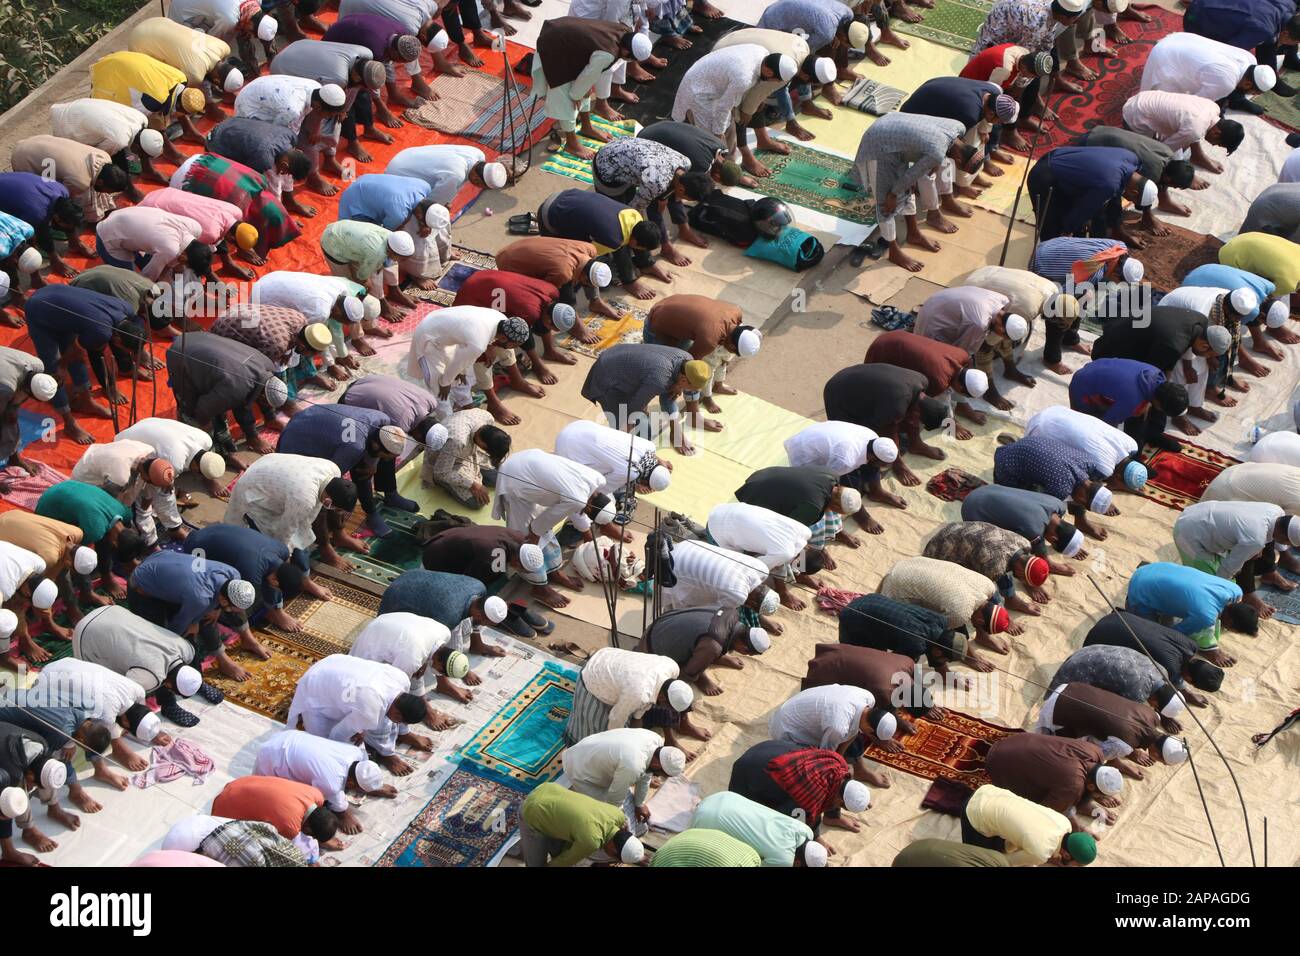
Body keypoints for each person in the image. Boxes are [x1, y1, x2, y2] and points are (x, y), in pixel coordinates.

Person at [848, 112, 980, 271]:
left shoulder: (958, 127)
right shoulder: (936, 152)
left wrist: (934, 162)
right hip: (879, 143)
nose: (956, 167)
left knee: (908, 188)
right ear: (958, 160)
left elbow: (913, 175)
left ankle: (914, 233)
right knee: (886, 205)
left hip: (892, 126)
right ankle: (894, 252)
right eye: (959, 167)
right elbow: (911, 175)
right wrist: (892, 195)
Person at [24, 284, 144, 445]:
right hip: (40, 309)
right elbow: (76, 352)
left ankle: (86, 401)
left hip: (60, 304)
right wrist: (61, 366)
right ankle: (69, 422)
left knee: (77, 356)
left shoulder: (126, 310)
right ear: (117, 340)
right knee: (53, 370)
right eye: (124, 349)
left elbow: (79, 350)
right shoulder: (101, 331)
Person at [1094, 304, 1233, 439]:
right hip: (1109, 352)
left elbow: (1170, 360)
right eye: (1209, 355)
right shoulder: (1173, 345)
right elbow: (1146, 380)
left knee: (1161, 391)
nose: (1208, 359)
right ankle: (1135, 443)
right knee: (1143, 398)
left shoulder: (1201, 323)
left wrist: (1167, 384)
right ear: (1204, 345)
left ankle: (1153, 433)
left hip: (1137, 341)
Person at [276, 404, 410, 537]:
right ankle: (335, 534)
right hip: (296, 438)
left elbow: (370, 452)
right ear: (375, 446)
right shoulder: (353, 447)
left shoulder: (383, 420)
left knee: (363, 469)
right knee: (327, 491)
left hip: (310, 418)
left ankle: (381, 503)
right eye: (382, 456)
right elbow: (330, 483)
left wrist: (373, 463)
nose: (382, 460)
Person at [491, 449, 615, 592]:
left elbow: (564, 513)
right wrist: (534, 538)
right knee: (527, 540)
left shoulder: (597, 479)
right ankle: (539, 587)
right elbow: (539, 525)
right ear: (588, 509)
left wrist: (538, 531)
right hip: (514, 477)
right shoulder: (578, 499)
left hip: (528, 461)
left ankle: (555, 573)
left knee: (544, 531)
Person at [286, 654, 430, 775]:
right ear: (398, 716)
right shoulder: (371, 709)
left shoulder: (402, 679)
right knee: (326, 750)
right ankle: (381, 756)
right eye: (399, 721)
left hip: (333, 661)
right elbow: (336, 735)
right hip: (313, 686)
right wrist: (355, 732)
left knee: (377, 722)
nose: (397, 724)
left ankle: (381, 749)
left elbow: (372, 711)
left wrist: (360, 728)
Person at [530, 18, 654, 159]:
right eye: (631, 59)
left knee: (584, 90)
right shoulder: (607, 54)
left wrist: (583, 90)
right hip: (554, 47)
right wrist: (576, 95)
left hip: (568, 42)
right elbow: (586, 77)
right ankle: (571, 144)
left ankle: (586, 127)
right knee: (567, 100)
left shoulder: (624, 32)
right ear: (626, 52)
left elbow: (588, 78)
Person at [223, 452, 361, 575]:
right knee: (272, 547)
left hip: (269, 465)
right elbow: (284, 531)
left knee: (300, 546)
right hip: (254, 490)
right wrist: (284, 557)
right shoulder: (304, 499)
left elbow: (304, 521)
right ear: (327, 500)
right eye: (334, 508)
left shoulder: (333, 469)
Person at [71, 604, 208, 727]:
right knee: (91, 681)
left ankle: (168, 705)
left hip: (111, 611)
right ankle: (168, 705)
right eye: (172, 690)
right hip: (86, 631)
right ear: (170, 686)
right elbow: (120, 694)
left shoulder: (186, 649)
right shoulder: (149, 679)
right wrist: (134, 720)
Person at [671, 44, 797, 177]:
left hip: (713, 84)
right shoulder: (744, 77)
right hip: (698, 91)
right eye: (774, 80)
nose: (772, 82)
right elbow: (723, 108)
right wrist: (718, 134)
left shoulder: (763, 53)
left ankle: (732, 168)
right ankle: (719, 173)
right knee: (712, 142)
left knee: (729, 129)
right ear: (769, 72)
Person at [128, 550, 258, 677]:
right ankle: (192, 676)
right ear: (223, 600)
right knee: (168, 638)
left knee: (206, 616)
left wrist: (208, 613)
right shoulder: (200, 599)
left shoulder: (233, 574)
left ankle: (239, 647)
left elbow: (212, 602)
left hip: (161, 560)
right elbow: (175, 629)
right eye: (231, 608)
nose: (232, 611)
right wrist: (192, 622)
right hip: (141, 585)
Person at [452, 269, 581, 396]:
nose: (553, 331)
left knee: (507, 342)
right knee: (486, 356)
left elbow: (536, 324)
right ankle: (493, 399)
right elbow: (516, 337)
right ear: (548, 320)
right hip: (472, 296)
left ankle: (517, 378)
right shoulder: (530, 312)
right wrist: (489, 347)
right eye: (554, 328)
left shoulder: (552, 292)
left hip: (485, 276)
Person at [32, 656, 172, 772]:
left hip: (66, 662)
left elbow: (141, 710)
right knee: (93, 734)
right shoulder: (106, 713)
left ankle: (119, 750)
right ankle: (105, 766)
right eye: (129, 730)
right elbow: (86, 734)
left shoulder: (138, 690)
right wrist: (69, 744)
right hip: (44, 682)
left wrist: (151, 730)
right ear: (126, 723)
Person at [592, 138, 714, 267]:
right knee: (619, 221)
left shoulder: (684, 163)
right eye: (687, 199)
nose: (683, 201)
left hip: (626, 155)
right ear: (681, 189)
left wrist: (662, 199)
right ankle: (616, 262)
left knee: (652, 204)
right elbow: (632, 213)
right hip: (606, 165)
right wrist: (647, 232)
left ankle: (661, 250)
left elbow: (662, 195)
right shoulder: (656, 183)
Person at [165, 331, 289, 457]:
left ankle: (234, 446)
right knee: (193, 413)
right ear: (262, 397)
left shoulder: (267, 366)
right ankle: (204, 452)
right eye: (266, 404)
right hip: (181, 353)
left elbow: (244, 401)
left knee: (222, 403)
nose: (265, 406)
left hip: (199, 338)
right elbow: (203, 409)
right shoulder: (235, 389)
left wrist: (252, 435)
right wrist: (205, 426)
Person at [270, 38, 393, 165]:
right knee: (310, 132)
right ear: (356, 76)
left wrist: (344, 110)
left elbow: (355, 89)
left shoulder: (366, 56)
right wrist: (315, 132)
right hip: (283, 65)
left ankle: (330, 159)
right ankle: (314, 171)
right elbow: (318, 108)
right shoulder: (337, 79)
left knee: (342, 112)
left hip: (299, 45)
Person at [405, 306, 531, 425]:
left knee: (462, 377)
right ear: (503, 338)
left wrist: (462, 372)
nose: (514, 348)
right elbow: (457, 363)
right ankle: (450, 427)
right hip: (430, 337)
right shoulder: (478, 343)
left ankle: (468, 409)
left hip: (447, 331)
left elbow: (461, 361)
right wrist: (444, 383)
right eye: (514, 345)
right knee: (438, 389)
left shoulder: (502, 320)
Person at [1174, 501, 1299, 620]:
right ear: (1283, 536)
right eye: (1288, 542)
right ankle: (1246, 594)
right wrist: (1219, 590)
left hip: (1200, 511)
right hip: (1188, 531)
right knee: (1206, 585)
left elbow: (1263, 538)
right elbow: (1228, 568)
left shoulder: (1277, 512)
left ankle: (1268, 572)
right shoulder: (1255, 538)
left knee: (1256, 547)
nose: (1286, 545)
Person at [535, 189, 669, 299]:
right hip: (549, 215)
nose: (638, 250)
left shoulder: (635, 215)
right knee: (568, 271)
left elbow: (618, 240)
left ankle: (641, 268)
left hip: (565, 195)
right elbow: (584, 261)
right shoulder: (612, 240)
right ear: (635, 242)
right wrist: (594, 297)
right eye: (640, 248)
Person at [184, 523, 319, 632]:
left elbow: (275, 577)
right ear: (274, 581)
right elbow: (228, 595)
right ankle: (250, 636)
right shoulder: (252, 574)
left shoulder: (283, 551)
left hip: (214, 529)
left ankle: (276, 611)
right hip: (196, 548)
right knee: (220, 598)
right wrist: (216, 608)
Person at [254, 729, 391, 836]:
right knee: (271, 796)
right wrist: (344, 815)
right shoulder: (332, 783)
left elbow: (363, 766)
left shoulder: (355, 753)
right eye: (359, 788)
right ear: (350, 782)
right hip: (272, 755)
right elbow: (336, 802)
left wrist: (373, 784)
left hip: (289, 736)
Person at [581, 343, 714, 453]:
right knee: (640, 434)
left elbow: (668, 399)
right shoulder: (660, 379)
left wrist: (677, 432)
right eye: (690, 389)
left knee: (642, 424)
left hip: (621, 358)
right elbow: (632, 410)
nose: (688, 392)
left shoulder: (687, 359)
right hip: (607, 378)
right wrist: (628, 437)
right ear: (684, 379)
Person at [823, 362, 940, 486]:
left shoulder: (922, 382)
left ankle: (916, 445)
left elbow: (908, 419)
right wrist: (898, 465)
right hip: (839, 391)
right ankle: (874, 489)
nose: (915, 424)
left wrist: (916, 441)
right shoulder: (896, 407)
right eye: (918, 421)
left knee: (901, 422)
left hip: (860, 381)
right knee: (859, 445)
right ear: (917, 412)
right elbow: (887, 436)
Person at [564, 646, 701, 752]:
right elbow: (615, 722)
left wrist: (636, 735)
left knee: (631, 718)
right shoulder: (639, 694)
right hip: (593, 675)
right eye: (667, 707)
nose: (667, 711)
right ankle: (577, 747)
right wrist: (616, 746)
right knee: (597, 731)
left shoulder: (672, 667)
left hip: (612, 658)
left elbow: (638, 715)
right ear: (663, 698)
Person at [1037, 682, 1190, 776]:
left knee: (1106, 732)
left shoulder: (1152, 715)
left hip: (1071, 687)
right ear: (1156, 753)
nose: (1158, 762)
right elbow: (1089, 755)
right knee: (1071, 756)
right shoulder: (1123, 746)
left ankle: (1114, 761)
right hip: (1054, 711)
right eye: (1161, 761)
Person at [170, 152, 300, 263]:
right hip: (183, 182)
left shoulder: (261, 180)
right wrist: (241, 251)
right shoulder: (236, 210)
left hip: (200, 159)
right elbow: (220, 235)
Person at [879, 554, 1019, 656]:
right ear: (980, 620)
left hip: (914, 562)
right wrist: (969, 655)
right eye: (980, 627)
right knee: (919, 630)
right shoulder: (961, 613)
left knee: (947, 609)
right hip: (896, 582)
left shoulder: (988, 585)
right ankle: (973, 650)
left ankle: (983, 637)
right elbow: (935, 633)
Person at [644, 295, 762, 416]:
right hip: (658, 326)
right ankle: (645, 409)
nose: (730, 354)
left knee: (692, 376)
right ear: (732, 347)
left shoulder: (736, 312)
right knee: (671, 382)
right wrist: (679, 385)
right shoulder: (709, 340)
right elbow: (688, 368)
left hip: (671, 309)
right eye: (732, 352)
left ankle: (693, 413)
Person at [899, 76, 1020, 191]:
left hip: (930, 91)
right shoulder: (969, 114)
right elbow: (952, 146)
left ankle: (969, 177)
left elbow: (985, 120)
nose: (998, 124)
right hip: (911, 117)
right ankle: (959, 185)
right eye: (999, 121)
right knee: (960, 151)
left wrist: (985, 128)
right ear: (992, 114)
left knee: (980, 134)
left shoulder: (994, 90)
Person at [1126, 560, 1255, 667]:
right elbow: (1172, 636)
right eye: (1231, 629)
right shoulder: (1205, 616)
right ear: (1230, 622)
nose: (1228, 629)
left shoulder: (1235, 590)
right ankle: (1130, 610)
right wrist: (1198, 650)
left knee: (1189, 613)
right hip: (1140, 588)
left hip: (1157, 568)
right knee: (1151, 641)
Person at [993, 433, 1120, 541]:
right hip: (1007, 465)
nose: (1078, 502)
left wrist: (1103, 499)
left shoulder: (1088, 463)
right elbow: (1043, 512)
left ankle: (1081, 521)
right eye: (1082, 503)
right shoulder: (1061, 488)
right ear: (1081, 499)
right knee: (1019, 505)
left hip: (1032, 443)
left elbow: (1081, 492)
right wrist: (1061, 534)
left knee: (1042, 476)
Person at [1083, 610, 1222, 707]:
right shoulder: (1169, 669)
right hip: (1098, 637)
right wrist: (1164, 713)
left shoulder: (1191, 645)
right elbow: (1155, 691)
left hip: (1119, 616)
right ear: (1190, 680)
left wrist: (1186, 693)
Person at [350, 612, 472, 723]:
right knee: (376, 694)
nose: (437, 673)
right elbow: (395, 693)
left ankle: (428, 705)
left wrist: (424, 663)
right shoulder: (412, 659)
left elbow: (422, 647)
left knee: (413, 671)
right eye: (440, 671)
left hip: (387, 620)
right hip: (372, 639)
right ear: (439, 663)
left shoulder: (444, 633)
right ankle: (406, 730)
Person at [783, 421, 902, 534]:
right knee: (833, 487)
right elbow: (830, 483)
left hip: (826, 435)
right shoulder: (846, 460)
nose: (883, 468)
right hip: (803, 447)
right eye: (883, 465)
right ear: (872, 456)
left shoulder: (874, 439)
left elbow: (871, 464)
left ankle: (877, 492)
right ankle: (857, 515)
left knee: (870, 467)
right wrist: (852, 503)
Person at [35, 480, 145, 600]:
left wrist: (130, 560)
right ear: (114, 543)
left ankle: (107, 576)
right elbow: (77, 557)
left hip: (68, 487)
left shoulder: (125, 512)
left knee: (103, 537)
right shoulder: (94, 530)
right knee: (73, 557)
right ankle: (85, 595)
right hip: (48, 505)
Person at [769, 683, 896, 787]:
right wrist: (839, 770)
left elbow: (853, 732)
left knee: (853, 730)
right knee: (815, 769)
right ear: (869, 728)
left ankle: (860, 771)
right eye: (869, 734)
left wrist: (840, 761)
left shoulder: (868, 698)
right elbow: (825, 756)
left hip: (805, 710)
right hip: (788, 727)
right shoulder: (838, 727)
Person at [728, 741, 871, 834]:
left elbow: (831, 795)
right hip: (747, 771)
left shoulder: (839, 764)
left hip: (765, 748)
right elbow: (788, 821)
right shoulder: (812, 796)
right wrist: (811, 839)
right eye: (841, 806)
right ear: (841, 801)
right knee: (754, 821)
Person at [1026, 146, 1157, 247]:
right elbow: (1082, 210)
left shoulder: (1132, 159)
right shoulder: (1109, 185)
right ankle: (1047, 266)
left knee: (1078, 224)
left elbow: (1113, 201)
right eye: (1132, 199)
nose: (1128, 200)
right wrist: (1065, 233)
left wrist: (1118, 231)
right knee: (1051, 231)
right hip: (1043, 177)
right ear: (1134, 192)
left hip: (1062, 159)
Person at [561, 728, 686, 834]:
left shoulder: (656, 740)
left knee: (627, 805)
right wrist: (621, 821)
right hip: (581, 770)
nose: (658, 777)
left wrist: (639, 804)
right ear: (658, 766)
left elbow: (646, 775)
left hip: (589, 750)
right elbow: (614, 799)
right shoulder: (633, 766)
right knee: (604, 817)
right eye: (661, 774)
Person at [376, 569, 510, 664]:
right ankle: (443, 686)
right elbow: (436, 649)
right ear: (480, 615)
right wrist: (446, 679)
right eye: (486, 623)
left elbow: (477, 618)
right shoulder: (450, 616)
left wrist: (478, 644)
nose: (484, 625)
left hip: (411, 574)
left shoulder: (479, 587)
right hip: (396, 599)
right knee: (414, 645)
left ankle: (477, 645)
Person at [985, 733, 1124, 825]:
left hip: (1014, 740)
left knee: (1066, 789)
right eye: (1097, 794)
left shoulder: (1095, 751)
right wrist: (1076, 827)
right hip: (997, 762)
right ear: (1091, 787)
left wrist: (1091, 796)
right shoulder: (1073, 786)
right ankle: (1080, 803)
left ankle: (1081, 801)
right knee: (1054, 802)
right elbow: (1046, 812)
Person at [870, 321, 1000, 419]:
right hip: (883, 349)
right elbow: (941, 406)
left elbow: (956, 386)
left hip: (897, 335)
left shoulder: (963, 356)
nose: (959, 394)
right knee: (896, 397)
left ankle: (962, 408)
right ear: (960, 387)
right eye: (963, 394)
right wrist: (952, 424)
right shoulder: (939, 381)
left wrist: (964, 406)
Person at [922, 521, 1053, 617]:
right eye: (1024, 579)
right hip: (938, 553)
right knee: (973, 589)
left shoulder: (1024, 543)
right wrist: (999, 615)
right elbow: (988, 592)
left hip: (957, 529)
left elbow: (1006, 564)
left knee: (1001, 568)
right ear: (1020, 572)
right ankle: (1011, 601)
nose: (1022, 582)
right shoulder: (995, 565)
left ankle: (1011, 600)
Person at [735, 466, 863, 564]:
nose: (837, 513)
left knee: (827, 515)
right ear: (836, 507)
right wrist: (806, 551)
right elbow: (788, 534)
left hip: (765, 475)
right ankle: (801, 571)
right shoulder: (812, 508)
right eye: (839, 511)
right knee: (797, 542)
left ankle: (835, 533)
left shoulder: (832, 475)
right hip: (754, 493)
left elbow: (827, 501)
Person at [1047, 644, 1188, 731]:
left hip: (1091, 650)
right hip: (1079, 667)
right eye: (1156, 707)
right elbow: (1119, 712)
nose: (1152, 707)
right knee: (1065, 703)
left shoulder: (1162, 671)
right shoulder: (1138, 693)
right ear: (1155, 702)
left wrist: (1166, 715)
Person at [636, 605, 770, 696]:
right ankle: (701, 675)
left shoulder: (731, 612)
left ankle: (711, 658)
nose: (744, 654)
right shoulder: (713, 645)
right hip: (652, 645)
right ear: (743, 647)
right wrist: (695, 677)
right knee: (682, 682)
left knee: (709, 647)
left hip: (663, 623)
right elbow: (687, 674)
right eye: (746, 652)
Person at [1074, 125, 1199, 222]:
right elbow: (1140, 195)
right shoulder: (1153, 173)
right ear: (1168, 178)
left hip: (1099, 131)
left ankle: (1165, 202)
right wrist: (1147, 216)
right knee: (1114, 191)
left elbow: (1162, 181)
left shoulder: (1168, 154)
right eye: (1175, 186)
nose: (1174, 188)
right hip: (1088, 145)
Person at [70, 441, 182, 547]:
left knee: (132, 507)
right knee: (115, 517)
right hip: (86, 479)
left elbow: (150, 484)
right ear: (146, 475)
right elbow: (107, 503)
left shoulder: (149, 451)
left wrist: (167, 482)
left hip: (105, 458)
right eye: (149, 482)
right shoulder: (120, 476)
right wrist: (121, 526)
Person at [707, 501, 816, 609]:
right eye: (796, 569)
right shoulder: (784, 553)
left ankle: (783, 588)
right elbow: (752, 569)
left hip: (727, 508)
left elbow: (784, 552)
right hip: (715, 526)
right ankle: (782, 593)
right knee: (736, 571)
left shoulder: (805, 531)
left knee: (776, 558)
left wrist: (777, 562)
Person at [48, 98, 167, 195]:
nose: (140, 158)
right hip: (68, 120)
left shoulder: (142, 120)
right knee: (85, 163)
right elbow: (96, 158)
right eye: (141, 155)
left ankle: (137, 182)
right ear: (136, 149)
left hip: (81, 106)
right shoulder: (119, 140)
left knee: (116, 148)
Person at [658, 540, 780, 634]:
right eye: (753, 608)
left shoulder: (762, 569)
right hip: (674, 565)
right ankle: (665, 624)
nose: (749, 608)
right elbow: (712, 616)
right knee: (684, 612)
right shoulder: (738, 596)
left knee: (713, 590)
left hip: (688, 545)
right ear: (752, 603)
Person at [961, 484, 1087, 575]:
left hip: (987, 489)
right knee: (1001, 547)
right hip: (972, 508)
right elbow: (1018, 556)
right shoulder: (1033, 530)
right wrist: (1039, 569)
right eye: (1052, 543)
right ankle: (1048, 562)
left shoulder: (1058, 505)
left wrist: (1072, 541)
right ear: (1053, 539)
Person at [9, 135, 131, 228]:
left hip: (37, 140)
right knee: (44, 195)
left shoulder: (104, 156)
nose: (108, 194)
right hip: (23, 156)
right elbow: (62, 201)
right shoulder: (80, 181)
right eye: (109, 191)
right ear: (100, 182)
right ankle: (56, 226)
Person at [211, 775, 338, 864]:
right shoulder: (289, 826)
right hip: (223, 803)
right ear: (308, 829)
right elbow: (291, 852)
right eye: (312, 836)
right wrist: (310, 859)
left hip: (240, 783)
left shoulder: (316, 794)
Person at [1068, 358, 1189, 452]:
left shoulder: (1157, 375)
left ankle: (1145, 440)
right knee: (1088, 434)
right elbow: (1106, 427)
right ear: (1159, 403)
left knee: (1140, 412)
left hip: (1096, 369)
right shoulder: (1131, 400)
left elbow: (1144, 404)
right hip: (1082, 388)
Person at [960, 784, 1097, 866]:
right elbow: (1004, 862)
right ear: (1067, 856)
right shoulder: (1041, 853)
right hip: (973, 812)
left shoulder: (1064, 822)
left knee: (1011, 840)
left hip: (988, 791)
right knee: (983, 861)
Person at [1141, 30, 1277, 113]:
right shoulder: (1226, 83)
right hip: (1166, 55)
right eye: (1252, 92)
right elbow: (1193, 104)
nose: (1249, 94)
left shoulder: (1250, 59)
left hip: (1181, 38)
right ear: (1247, 84)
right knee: (1164, 106)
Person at [205, 117, 316, 216]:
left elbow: (284, 170)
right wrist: (280, 216)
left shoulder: (290, 136)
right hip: (215, 140)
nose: (284, 174)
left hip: (231, 123)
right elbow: (266, 188)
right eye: (285, 172)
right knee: (245, 185)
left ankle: (289, 202)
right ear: (284, 165)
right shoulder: (263, 159)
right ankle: (281, 211)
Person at [1023, 405, 1147, 493]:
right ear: (1118, 477)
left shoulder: (1131, 444)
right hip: (1040, 429)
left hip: (1057, 411)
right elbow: (1081, 490)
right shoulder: (1104, 469)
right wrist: (1108, 486)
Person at [518, 782, 644, 867]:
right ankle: (519, 849)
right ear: (613, 849)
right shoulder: (591, 841)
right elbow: (562, 862)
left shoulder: (618, 815)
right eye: (612, 857)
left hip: (549, 789)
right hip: (532, 809)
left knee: (560, 851)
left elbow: (565, 857)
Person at [1121, 90, 1243, 176]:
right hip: (1135, 116)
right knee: (1150, 160)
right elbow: (1162, 151)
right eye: (1217, 144)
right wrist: (1184, 175)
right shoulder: (1195, 130)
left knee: (1181, 152)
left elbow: (1191, 129)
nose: (1213, 145)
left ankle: (1197, 157)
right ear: (1216, 133)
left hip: (1144, 97)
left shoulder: (1213, 107)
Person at [690, 790, 827, 867]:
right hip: (706, 819)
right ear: (798, 863)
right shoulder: (784, 861)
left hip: (723, 796)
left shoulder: (804, 830)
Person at [322, 13, 429, 108]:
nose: (400, 63)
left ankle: (393, 95)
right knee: (359, 82)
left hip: (350, 20)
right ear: (395, 53)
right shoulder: (376, 50)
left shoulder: (401, 33)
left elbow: (388, 62)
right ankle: (380, 108)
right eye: (402, 60)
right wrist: (379, 104)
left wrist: (393, 92)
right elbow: (371, 75)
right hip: (334, 42)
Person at [0, 721, 69, 864]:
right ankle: (11, 848)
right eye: (35, 784)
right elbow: (6, 811)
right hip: (6, 758)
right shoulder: (11, 774)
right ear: (30, 773)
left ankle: (53, 808)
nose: (34, 787)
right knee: (12, 800)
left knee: (47, 771)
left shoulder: (42, 745)